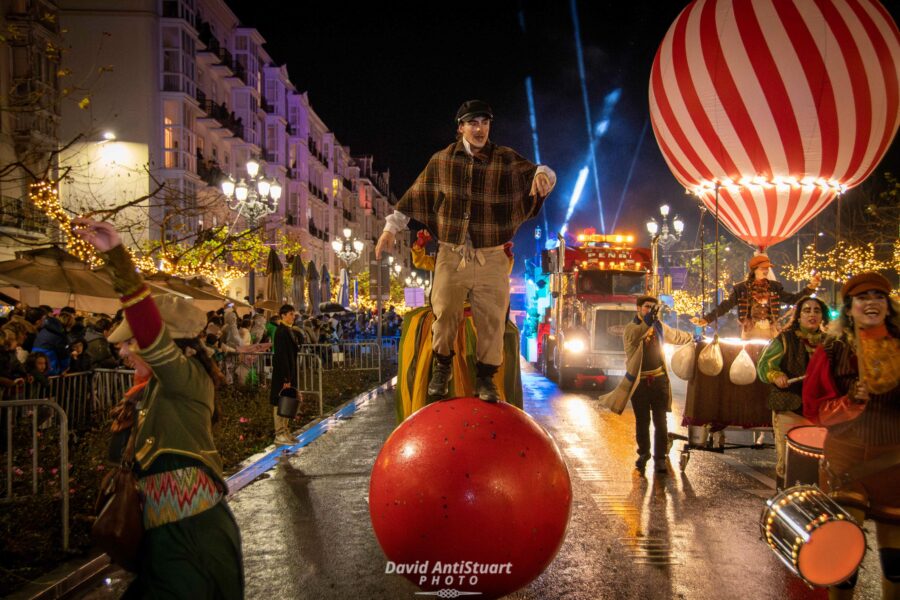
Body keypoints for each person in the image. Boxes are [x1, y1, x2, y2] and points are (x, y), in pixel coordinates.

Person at [73, 217, 243, 599]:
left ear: (167, 346)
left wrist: (118, 259)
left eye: (130, 343)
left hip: (192, 540)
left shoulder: (184, 378)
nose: (123, 350)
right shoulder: (149, 390)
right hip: (167, 538)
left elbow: (151, 333)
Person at [375, 99, 555, 402]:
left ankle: (486, 378)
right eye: (473, 123)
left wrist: (543, 176)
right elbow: (416, 195)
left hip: (492, 254)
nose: (479, 129)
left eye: (484, 122)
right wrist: (389, 229)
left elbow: (540, 171)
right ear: (461, 128)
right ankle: (442, 365)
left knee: (493, 319)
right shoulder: (442, 161)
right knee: (444, 310)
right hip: (452, 252)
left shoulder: (505, 159)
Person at [802, 272, 900, 599]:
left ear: (888, 305)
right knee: (843, 557)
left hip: (893, 458)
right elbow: (813, 407)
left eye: (878, 296)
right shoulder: (832, 348)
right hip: (846, 457)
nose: (871, 303)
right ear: (849, 308)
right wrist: (851, 400)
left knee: (896, 561)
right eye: (862, 298)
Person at [600, 295, 694, 474]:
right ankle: (644, 453)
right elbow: (636, 336)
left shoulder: (659, 327)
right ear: (638, 309)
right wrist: (649, 321)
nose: (650, 310)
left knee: (661, 421)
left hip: (659, 381)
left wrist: (693, 337)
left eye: (653, 308)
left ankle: (660, 459)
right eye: (647, 307)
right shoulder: (631, 329)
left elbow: (675, 335)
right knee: (642, 421)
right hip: (640, 383)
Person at [757, 295, 829, 488]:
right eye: (807, 310)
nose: (812, 314)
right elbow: (764, 365)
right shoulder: (785, 339)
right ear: (798, 316)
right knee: (789, 460)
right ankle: (784, 498)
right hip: (790, 407)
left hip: (821, 410)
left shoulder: (830, 342)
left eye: (817, 310)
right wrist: (776, 376)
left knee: (821, 461)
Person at [692, 255, 821, 340]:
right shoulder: (741, 288)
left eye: (767, 268)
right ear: (754, 269)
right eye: (763, 268)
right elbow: (725, 306)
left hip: (771, 330)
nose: (766, 270)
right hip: (750, 330)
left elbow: (793, 299)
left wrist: (810, 288)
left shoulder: (775, 287)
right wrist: (706, 319)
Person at [270, 304, 300, 445]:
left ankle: (285, 430)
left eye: (293, 314)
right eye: (290, 314)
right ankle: (279, 433)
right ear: (283, 315)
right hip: (283, 373)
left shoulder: (289, 330)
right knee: (280, 402)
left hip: (290, 371)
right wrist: (286, 378)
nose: (293, 317)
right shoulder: (281, 331)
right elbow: (281, 356)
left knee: (288, 400)